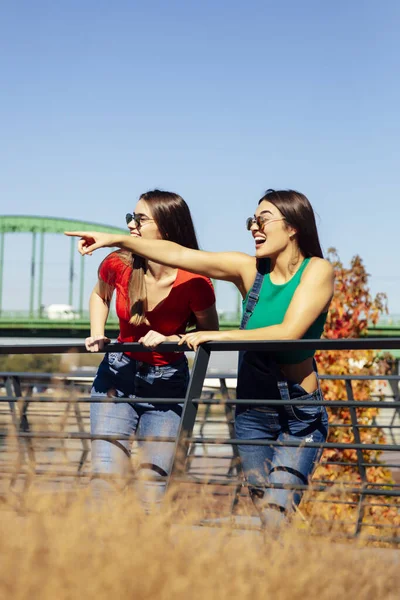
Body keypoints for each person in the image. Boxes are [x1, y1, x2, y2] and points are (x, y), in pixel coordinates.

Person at [66, 189, 333, 529]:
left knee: (276, 513)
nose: (254, 227)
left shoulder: (317, 270)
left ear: (293, 226)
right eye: (252, 220)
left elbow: (289, 331)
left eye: (262, 219)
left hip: (298, 412)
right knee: (266, 510)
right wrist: (114, 239)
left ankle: (293, 573)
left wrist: (215, 335)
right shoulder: (249, 270)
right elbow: (178, 254)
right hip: (252, 409)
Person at [76, 190, 218, 508]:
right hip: (116, 377)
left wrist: (172, 339)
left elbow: (210, 333)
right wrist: (97, 333)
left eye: (140, 219)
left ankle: (141, 557)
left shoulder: (195, 281)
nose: (131, 225)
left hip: (167, 387)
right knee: (105, 486)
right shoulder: (118, 263)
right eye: (131, 217)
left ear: (166, 228)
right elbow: (100, 296)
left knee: (151, 493)